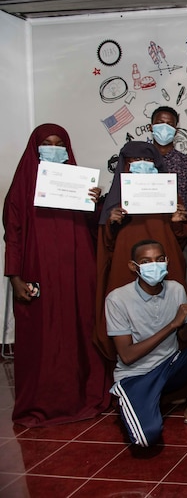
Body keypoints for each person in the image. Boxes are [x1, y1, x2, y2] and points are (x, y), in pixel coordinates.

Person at [3, 124, 110, 427]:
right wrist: (14, 277)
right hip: (37, 274)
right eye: (46, 143)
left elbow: (92, 228)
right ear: (34, 148)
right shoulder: (21, 187)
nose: (53, 148)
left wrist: (95, 202)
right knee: (42, 336)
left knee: (80, 330)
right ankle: (45, 401)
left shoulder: (78, 181)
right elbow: (13, 235)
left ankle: (83, 395)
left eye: (59, 143)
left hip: (78, 272)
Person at [106, 240, 187, 447]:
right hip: (136, 376)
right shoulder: (117, 299)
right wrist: (173, 324)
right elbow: (127, 355)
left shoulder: (176, 289)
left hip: (171, 366)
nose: (154, 265)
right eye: (146, 261)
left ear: (167, 261)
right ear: (133, 266)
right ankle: (134, 401)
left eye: (159, 259)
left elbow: (184, 334)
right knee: (146, 438)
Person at [95, 141, 187, 361]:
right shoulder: (115, 199)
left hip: (165, 261)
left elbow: (182, 237)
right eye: (135, 161)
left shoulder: (168, 195)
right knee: (126, 313)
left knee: (172, 309)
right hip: (126, 263)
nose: (142, 165)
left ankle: (174, 370)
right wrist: (112, 222)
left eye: (148, 160)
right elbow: (105, 244)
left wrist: (177, 221)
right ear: (125, 165)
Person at [150, 106, 187, 219]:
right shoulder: (139, 162)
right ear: (151, 127)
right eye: (160, 123)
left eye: (169, 124)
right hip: (145, 229)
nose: (164, 128)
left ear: (176, 130)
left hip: (180, 231)